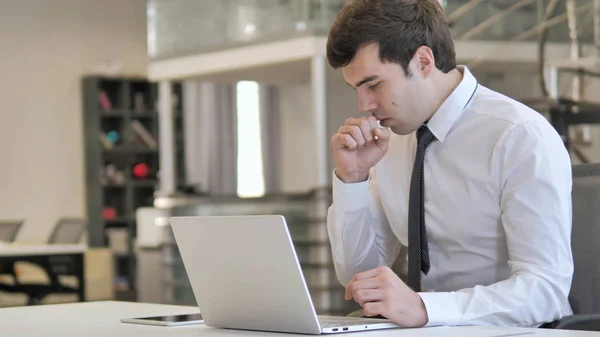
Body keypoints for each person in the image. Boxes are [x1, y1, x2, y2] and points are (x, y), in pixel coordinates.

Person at [325, 0, 574, 329]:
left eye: (374, 85)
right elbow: (359, 274)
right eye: (357, 89)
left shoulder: (520, 136)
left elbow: (545, 290)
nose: (365, 105)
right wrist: (353, 179)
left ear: (423, 61)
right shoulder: (391, 141)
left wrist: (427, 308)